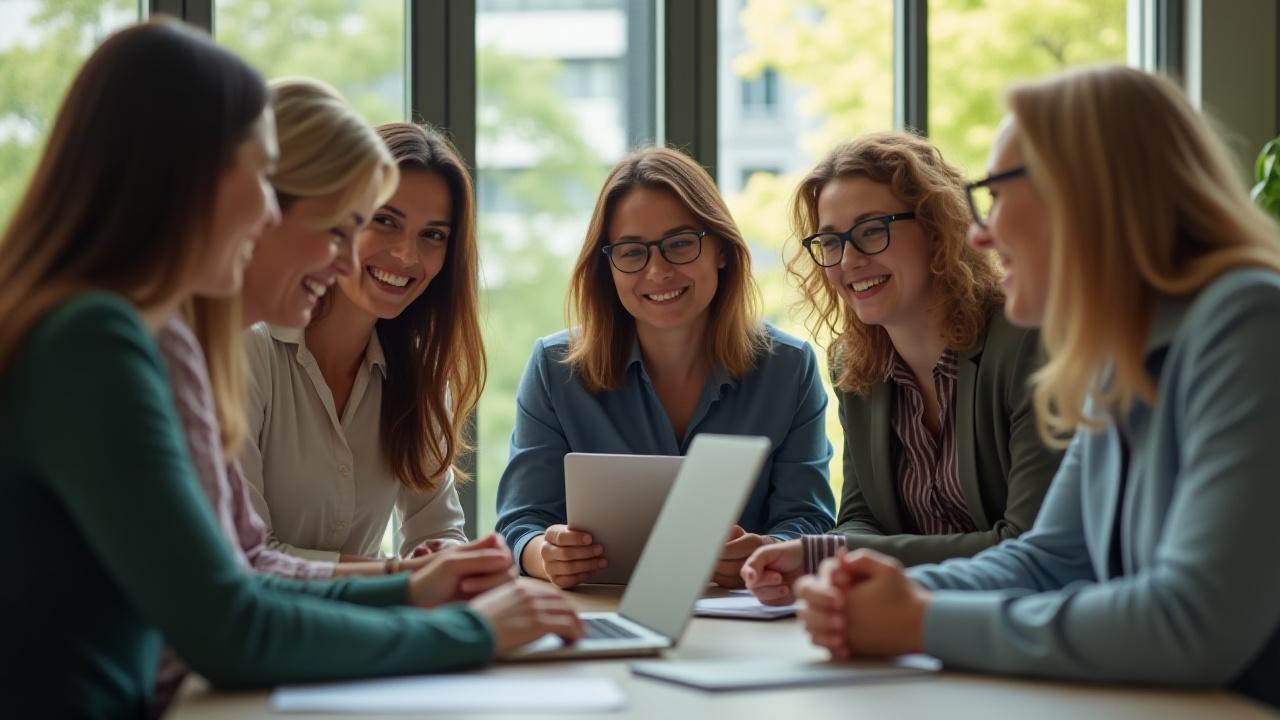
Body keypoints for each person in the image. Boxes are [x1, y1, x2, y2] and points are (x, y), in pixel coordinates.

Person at [0, 20, 578, 717]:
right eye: (262, 178)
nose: (266, 209)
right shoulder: (96, 340)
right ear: (192, 178)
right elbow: (229, 625)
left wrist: (411, 586)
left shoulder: (124, 333)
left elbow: (238, 574)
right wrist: (469, 630)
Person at [795, 65, 1280, 707]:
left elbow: (1192, 621)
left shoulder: (1249, 322)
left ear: (1085, 193)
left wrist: (918, 620)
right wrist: (881, 591)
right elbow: (1048, 559)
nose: (979, 232)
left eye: (992, 193)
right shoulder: (1120, 354)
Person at [741, 132, 1060, 605]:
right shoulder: (853, 364)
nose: (849, 260)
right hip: (906, 633)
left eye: (872, 230)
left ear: (937, 229)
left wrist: (827, 554)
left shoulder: (1026, 343)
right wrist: (817, 557)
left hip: (1012, 622)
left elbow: (1025, 544)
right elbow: (860, 518)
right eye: (831, 241)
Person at [496, 146, 835, 590]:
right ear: (608, 267)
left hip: (739, 615)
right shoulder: (554, 368)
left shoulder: (789, 369)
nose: (658, 271)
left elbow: (808, 520)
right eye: (632, 252)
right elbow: (521, 523)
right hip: (598, 611)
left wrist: (767, 552)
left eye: (679, 244)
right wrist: (545, 554)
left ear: (721, 250)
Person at [242, 122, 486, 563]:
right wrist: (402, 576)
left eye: (433, 235)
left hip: (361, 625)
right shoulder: (250, 349)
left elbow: (440, 530)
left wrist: (452, 563)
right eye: (385, 221)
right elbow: (247, 558)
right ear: (341, 219)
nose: (407, 256)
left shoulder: (419, 374)